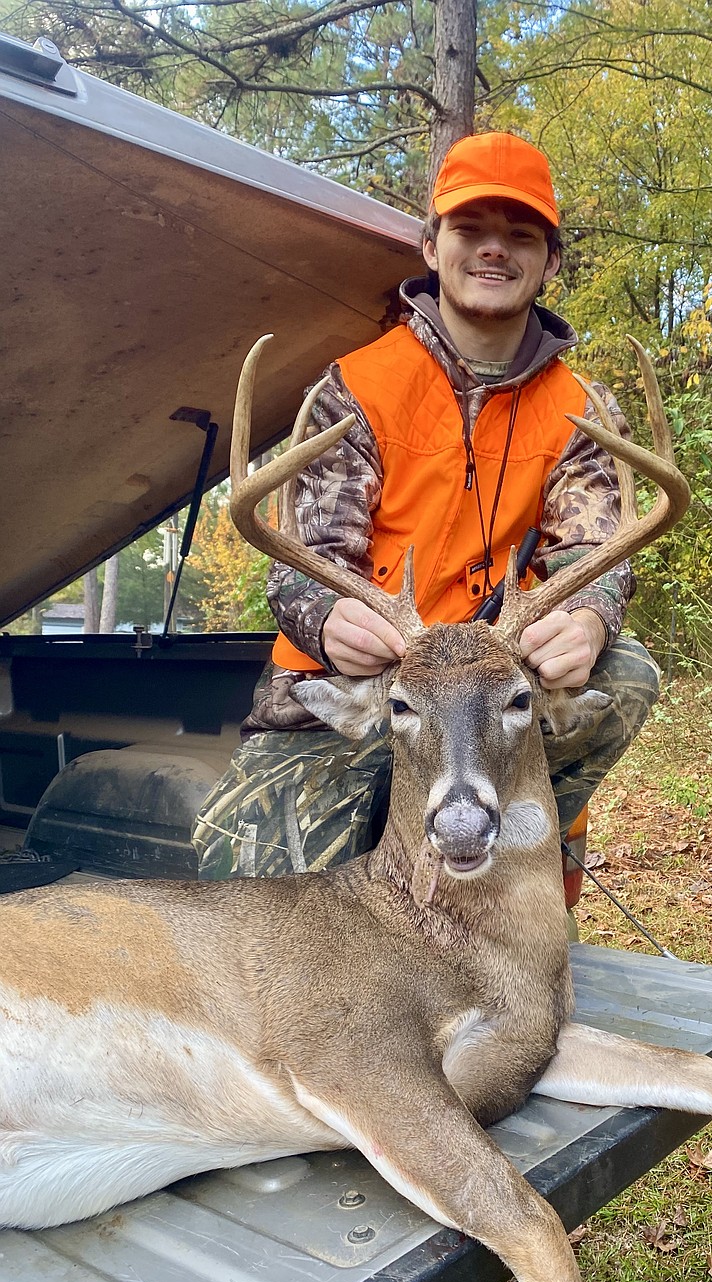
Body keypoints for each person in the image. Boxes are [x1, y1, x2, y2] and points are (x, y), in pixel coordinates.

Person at [193, 132, 660, 880]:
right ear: (430, 244)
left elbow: (593, 554)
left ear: (552, 260)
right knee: (256, 916)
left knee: (627, 671)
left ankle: (487, 864)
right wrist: (326, 619)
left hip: (485, 693)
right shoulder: (357, 389)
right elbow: (302, 566)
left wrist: (588, 616)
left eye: (521, 235)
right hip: (353, 704)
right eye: (470, 229)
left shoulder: (582, 410)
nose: (494, 251)